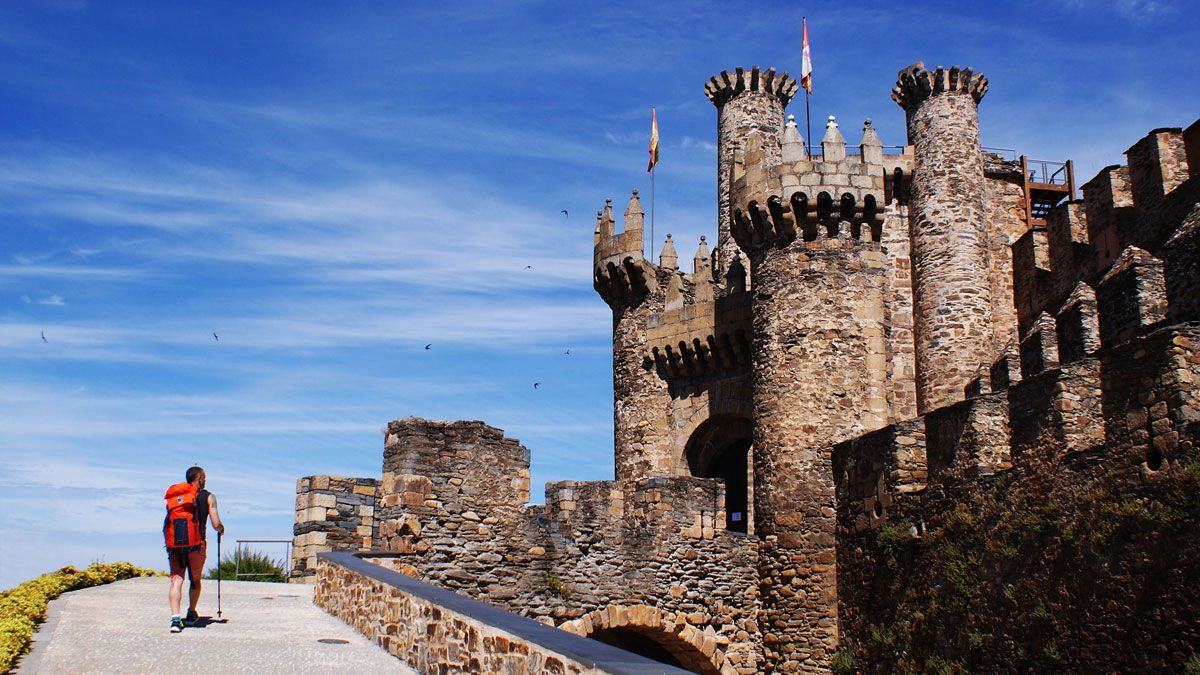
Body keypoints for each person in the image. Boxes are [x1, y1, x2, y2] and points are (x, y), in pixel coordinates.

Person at [166, 465, 224, 633]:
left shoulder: (176, 496)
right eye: (204, 477)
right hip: (196, 545)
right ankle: (191, 613)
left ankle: (175, 620)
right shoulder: (209, 497)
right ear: (199, 478)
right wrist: (221, 529)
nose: (205, 480)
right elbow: (215, 524)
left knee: (176, 579)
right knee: (195, 580)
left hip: (175, 544)